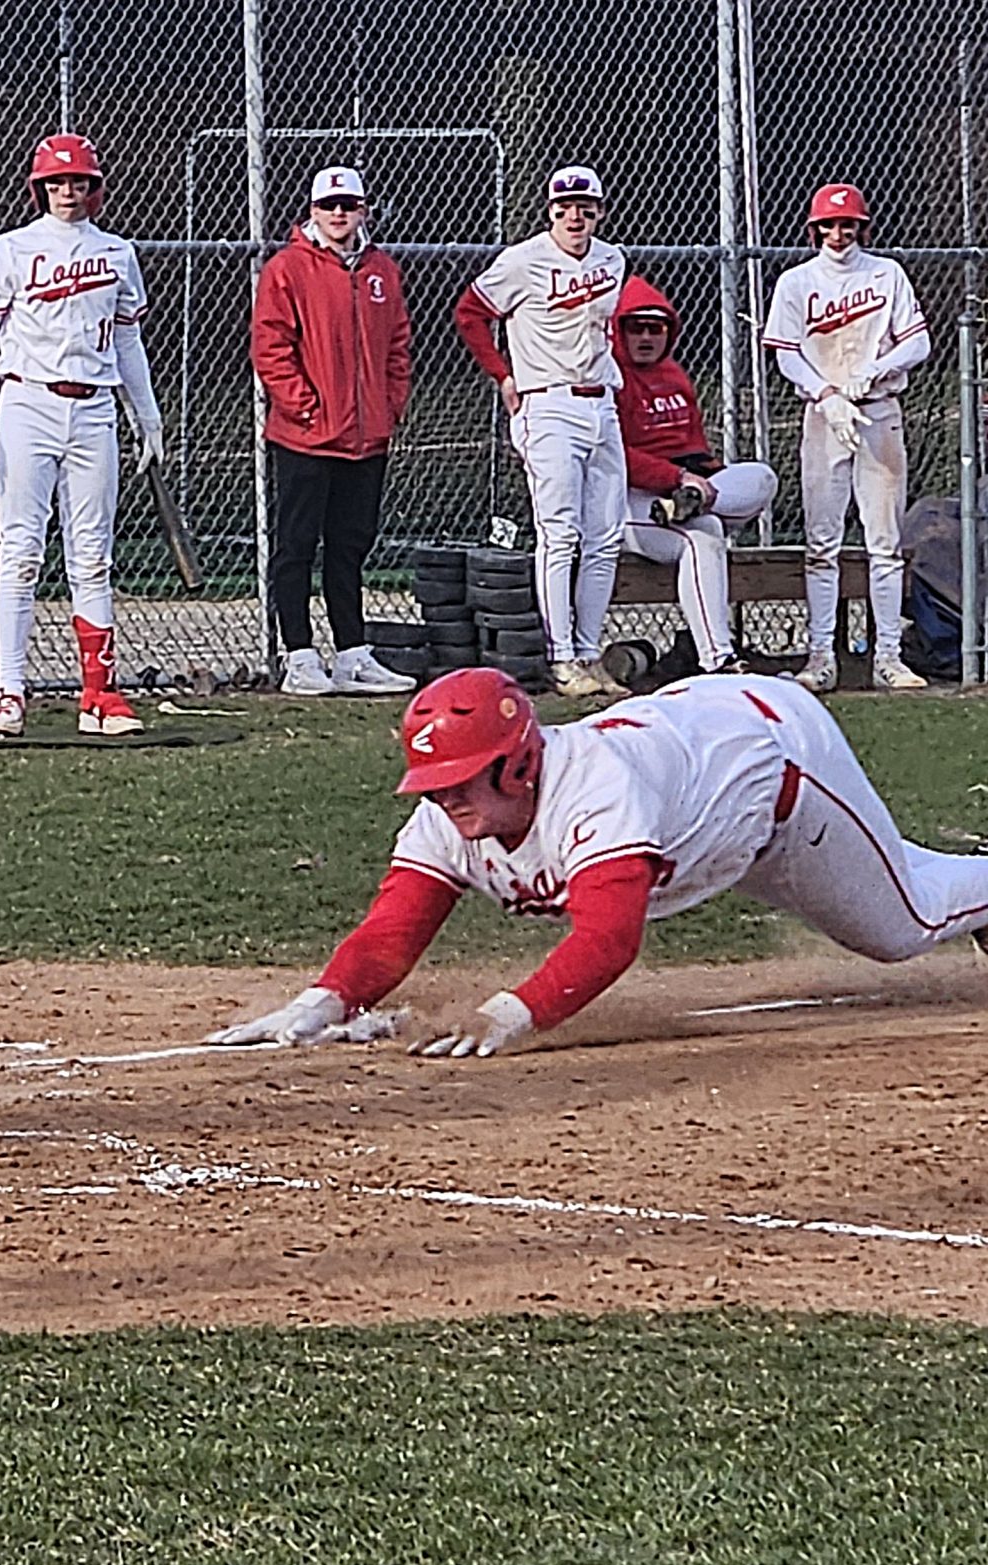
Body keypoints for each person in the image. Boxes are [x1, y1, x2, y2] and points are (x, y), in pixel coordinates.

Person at [204, 667, 988, 1058]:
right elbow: (391, 930)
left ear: (517, 767)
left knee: (904, 923)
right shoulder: (451, 818)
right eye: (434, 786)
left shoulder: (596, 791)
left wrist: (510, 1014)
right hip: (695, 787)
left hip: (780, 763)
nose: (446, 802)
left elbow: (610, 937)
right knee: (892, 878)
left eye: (458, 782)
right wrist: (324, 1001)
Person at [0, 132, 162, 739]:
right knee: (20, 553)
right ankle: (9, 694)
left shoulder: (118, 252)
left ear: (96, 189)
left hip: (93, 408)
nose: (70, 191)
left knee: (92, 557)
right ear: (40, 188)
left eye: (81, 181)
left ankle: (100, 695)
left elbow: (127, 340)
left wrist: (148, 415)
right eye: (59, 182)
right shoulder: (12, 249)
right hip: (26, 402)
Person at [456, 166, 628, 699]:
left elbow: (604, 326)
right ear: (550, 211)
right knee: (560, 533)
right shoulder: (523, 260)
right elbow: (469, 313)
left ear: (599, 210)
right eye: (565, 207)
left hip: (601, 402)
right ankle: (561, 659)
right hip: (547, 402)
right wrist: (503, 375)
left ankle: (588, 650)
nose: (575, 215)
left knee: (605, 537)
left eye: (586, 206)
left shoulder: (611, 259)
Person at [248, 165, 415, 697]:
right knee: (295, 546)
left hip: (366, 437)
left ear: (364, 209)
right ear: (313, 211)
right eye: (330, 206)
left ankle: (352, 653)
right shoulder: (287, 269)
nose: (340, 214)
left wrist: (390, 406)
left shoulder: (382, 270)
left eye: (349, 205)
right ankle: (299, 655)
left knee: (350, 546)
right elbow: (271, 347)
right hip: (306, 437)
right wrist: (303, 407)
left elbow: (398, 347)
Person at [765, 182, 934, 692]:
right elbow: (786, 351)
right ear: (814, 230)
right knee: (822, 543)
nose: (838, 234)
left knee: (884, 543)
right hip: (824, 417)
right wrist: (825, 393)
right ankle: (821, 657)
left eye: (847, 225)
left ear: (862, 227)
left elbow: (919, 342)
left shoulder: (886, 274)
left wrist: (874, 371)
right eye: (828, 225)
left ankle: (888, 656)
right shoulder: (797, 281)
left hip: (879, 410)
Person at [611, 277, 777, 675]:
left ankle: (689, 503)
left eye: (657, 327)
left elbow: (695, 447)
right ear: (619, 330)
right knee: (703, 534)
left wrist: (704, 481)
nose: (647, 336)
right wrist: (677, 476)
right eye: (636, 327)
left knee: (761, 477)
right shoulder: (611, 378)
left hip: (678, 493)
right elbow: (615, 456)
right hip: (626, 503)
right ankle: (717, 659)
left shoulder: (675, 376)